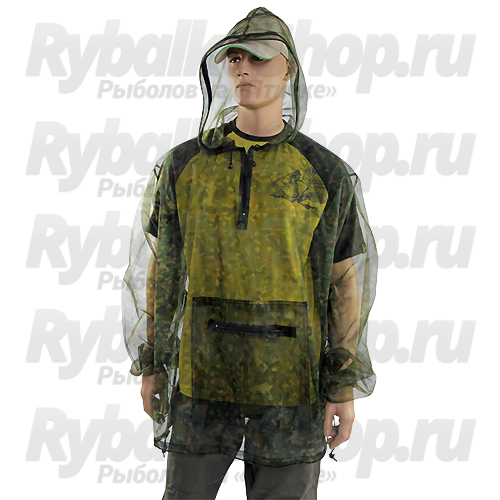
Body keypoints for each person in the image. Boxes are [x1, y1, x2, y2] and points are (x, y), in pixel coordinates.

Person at [122, 6, 378, 500]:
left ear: (289, 70)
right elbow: (161, 269)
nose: (244, 69)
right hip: (202, 376)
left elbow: (345, 281)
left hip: (292, 385)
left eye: (260, 59)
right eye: (236, 58)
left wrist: (342, 385)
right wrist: (153, 363)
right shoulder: (183, 166)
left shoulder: (324, 173)